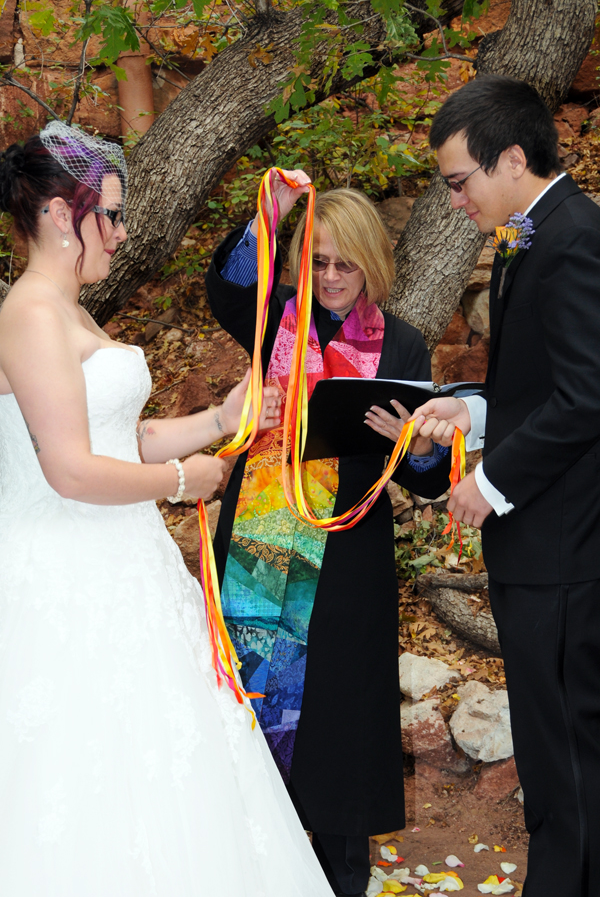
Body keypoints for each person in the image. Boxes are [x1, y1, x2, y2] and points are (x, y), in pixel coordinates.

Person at [0, 122, 338, 896]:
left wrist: (218, 422)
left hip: (121, 559)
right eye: (110, 215)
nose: (121, 233)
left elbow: (125, 435)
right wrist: (184, 483)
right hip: (66, 569)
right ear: (60, 214)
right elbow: (71, 470)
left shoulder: (73, 313)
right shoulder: (31, 314)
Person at [205, 174, 452, 897]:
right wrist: (272, 215)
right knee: (250, 705)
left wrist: (415, 446)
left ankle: (342, 875)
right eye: (319, 262)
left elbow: (430, 477)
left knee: (341, 718)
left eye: (347, 264)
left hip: (346, 560)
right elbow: (227, 285)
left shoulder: (402, 346)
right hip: (258, 542)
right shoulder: (273, 318)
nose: (332, 278)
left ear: (372, 263)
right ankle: (254, 861)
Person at [411, 75, 600, 897]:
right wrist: (477, 408)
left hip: (566, 547)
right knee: (557, 750)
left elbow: (589, 394)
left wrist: (492, 481)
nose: (456, 202)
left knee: (568, 755)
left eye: (461, 182)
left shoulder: (573, 239)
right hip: (550, 546)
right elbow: (548, 384)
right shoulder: (539, 233)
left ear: (513, 157)